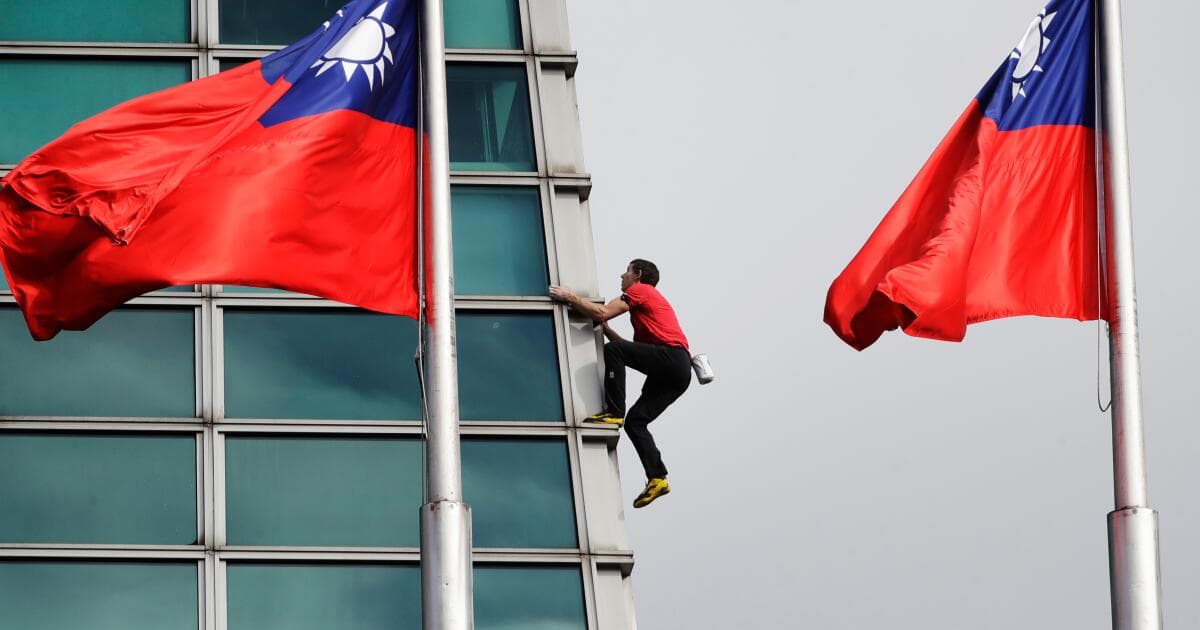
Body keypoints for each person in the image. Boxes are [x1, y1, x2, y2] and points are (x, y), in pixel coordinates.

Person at [550, 259, 691, 508]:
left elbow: (603, 313)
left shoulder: (640, 290)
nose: (622, 275)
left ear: (637, 275)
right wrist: (604, 328)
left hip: (672, 359)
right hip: (677, 372)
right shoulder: (648, 306)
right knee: (636, 422)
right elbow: (625, 345)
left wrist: (570, 297)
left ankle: (614, 412)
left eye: (626, 271)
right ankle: (657, 478)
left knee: (614, 351)